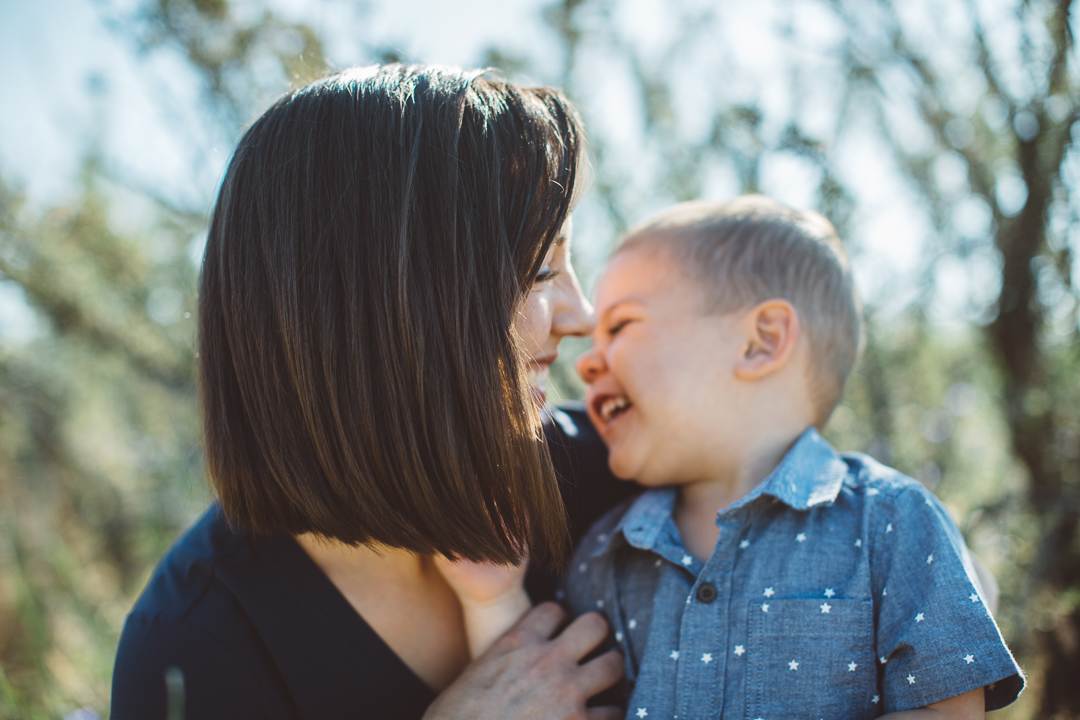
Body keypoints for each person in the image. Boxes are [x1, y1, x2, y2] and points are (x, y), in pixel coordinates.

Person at [110, 64, 632, 720]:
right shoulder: (196, 649)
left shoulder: (608, 473)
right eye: (542, 268)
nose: (582, 315)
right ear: (388, 304)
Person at [444, 195, 1024, 718]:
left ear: (761, 341)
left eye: (621, 325)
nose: (589, 362)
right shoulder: (603, 553)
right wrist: (492, 600)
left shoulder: (895, 523)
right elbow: (538, 695)